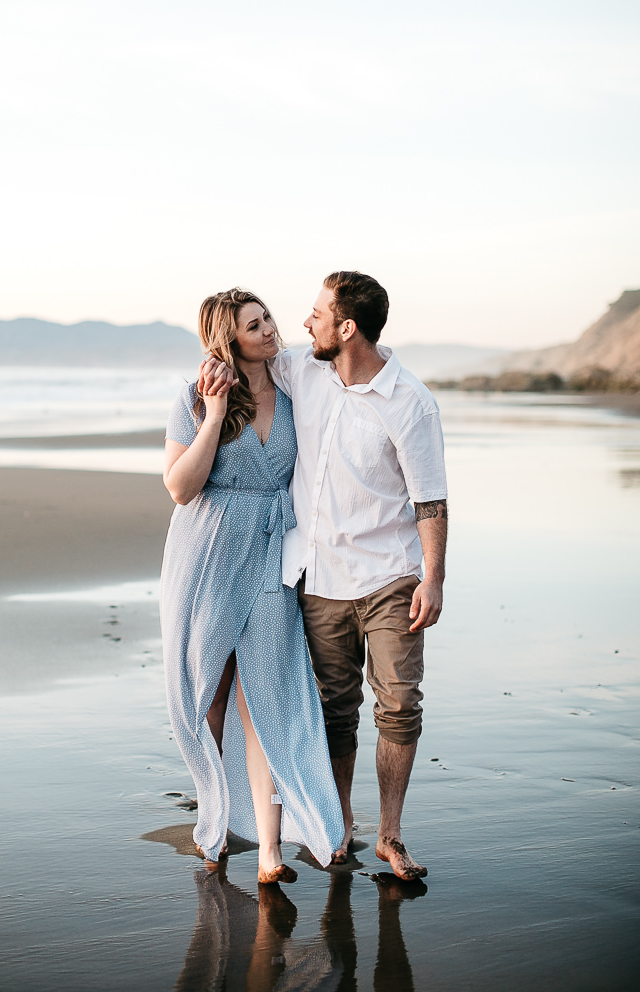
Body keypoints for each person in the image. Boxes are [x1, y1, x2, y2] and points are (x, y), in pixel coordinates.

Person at [200, 271, 447, 881]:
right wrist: (211, 381)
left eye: (316, 314)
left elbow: (430, 500)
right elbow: (242, 351)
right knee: (336, 710)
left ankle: (389, 835)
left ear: (346, 328)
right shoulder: (301, 370)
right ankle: (337, 830)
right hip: (316, 579)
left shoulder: (410, 402)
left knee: (398, 708)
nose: (301, 323)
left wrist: (434, 578)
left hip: (390, 577)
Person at [160, 287, 344, 884]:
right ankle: (211, 828)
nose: (270, 330)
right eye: (253, 325)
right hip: (207, 557)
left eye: (267, 319)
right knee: (207, 696)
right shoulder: (194, 398)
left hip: (270, 556)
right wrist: (214, 416)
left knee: (265, 702)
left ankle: (269, 851)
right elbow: (181, 488)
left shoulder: (293, 391)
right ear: (228, 338)